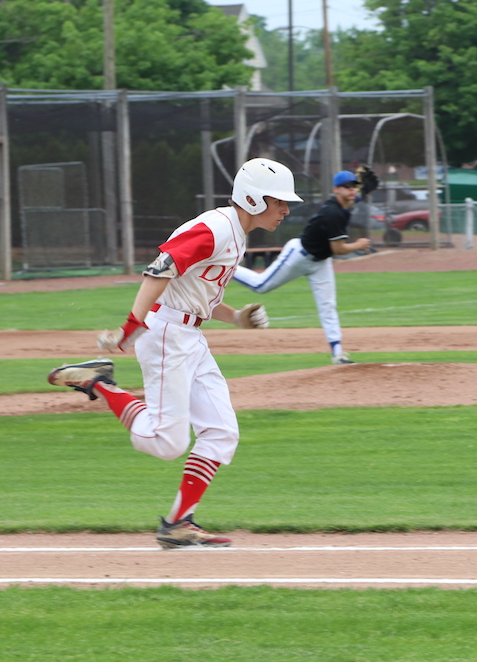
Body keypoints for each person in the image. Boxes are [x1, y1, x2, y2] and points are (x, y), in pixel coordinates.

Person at [46, 157, 302, 549]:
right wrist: (130, 327)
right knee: (167, 443)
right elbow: (160, 270)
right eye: (278, 201)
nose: (285, 209)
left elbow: (196, 294)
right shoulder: (216, 228)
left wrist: (236, 318)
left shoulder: (236, 233)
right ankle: (101, 384)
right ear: (252, 199)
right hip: (166, 333)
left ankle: (179, 524)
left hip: (188, 336)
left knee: (221, 432)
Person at [232, 169, 371, 365]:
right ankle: (226, 266)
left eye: (353, 186)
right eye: (346, 186)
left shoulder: (342, 205)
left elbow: (352, 201)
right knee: (260, 285)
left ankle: (338, 354)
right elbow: (338, 249)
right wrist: (359, 245)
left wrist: (363, 194)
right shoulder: (333, 212)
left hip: (321, 261)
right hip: (299, 255)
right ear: (336, 189)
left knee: (328, 306)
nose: (351, 190)